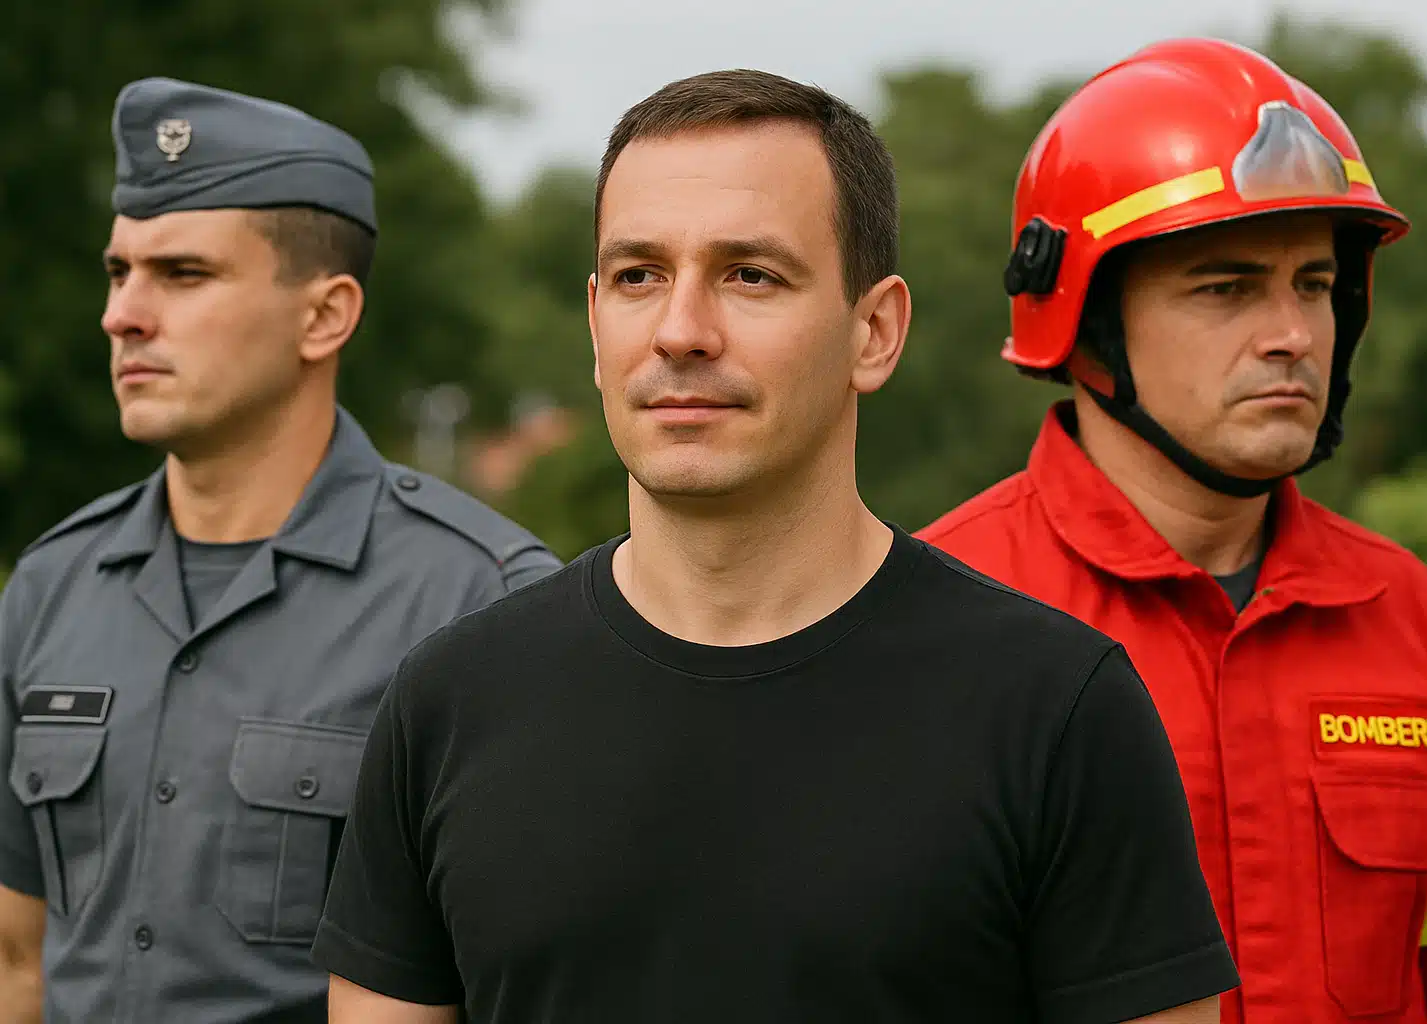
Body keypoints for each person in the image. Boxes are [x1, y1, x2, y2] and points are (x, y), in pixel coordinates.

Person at [313, 68, 1239, 1024]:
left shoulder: (1057, 709)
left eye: (750, 275)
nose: (681, 331)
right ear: (595, 325)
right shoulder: (449, 704)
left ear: (874, 331)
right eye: (639, 276)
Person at [917, 37, 1427, 1024]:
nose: (1292, 332)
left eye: (1316, 285)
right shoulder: (930, 622)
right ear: (1085, 317)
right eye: (1227, 286)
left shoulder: (1418, 624)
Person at [0, 78, 561, 1023]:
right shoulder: (52, 586)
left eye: (182, 274)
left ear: (325, 316)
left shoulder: (480, 601)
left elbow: (521, 990)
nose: (123, 315)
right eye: (118, 271)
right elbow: (17, 963)